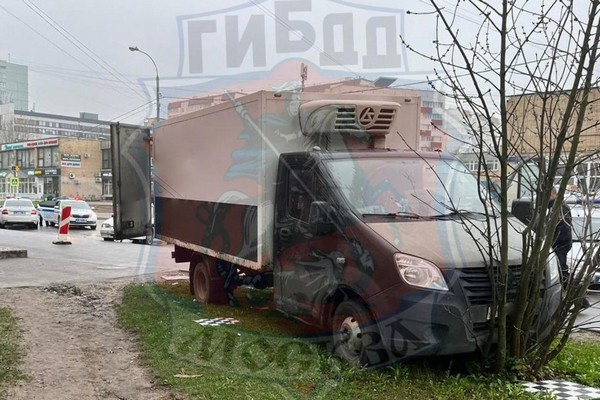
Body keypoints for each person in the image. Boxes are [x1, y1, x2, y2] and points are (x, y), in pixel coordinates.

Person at [548, 187, 590, 308]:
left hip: (560, 245)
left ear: (553, 194)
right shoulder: (552, 207)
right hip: (557, 245)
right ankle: (578, 299)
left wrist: (553, 244)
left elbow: (563, 230)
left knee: (562, 273)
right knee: (562, 273)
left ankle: (580, 299)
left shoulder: (560, 207)